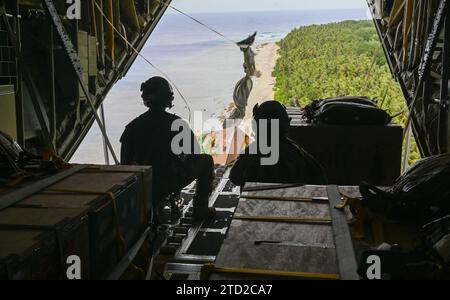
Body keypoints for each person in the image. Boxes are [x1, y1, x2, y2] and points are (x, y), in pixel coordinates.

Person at [120, 76, 216, 224]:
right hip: (169, 181)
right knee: (206, 160)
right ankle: (201, 210)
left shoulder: (132, 127)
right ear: (167, 98)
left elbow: (124, 165)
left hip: (142, 186)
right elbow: (194, 154)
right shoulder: (178, 124)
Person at [230, 101, 327, 187]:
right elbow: (320, 178)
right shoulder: (297, 154)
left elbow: (234, 178)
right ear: (287, 125)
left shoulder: (250, 153)